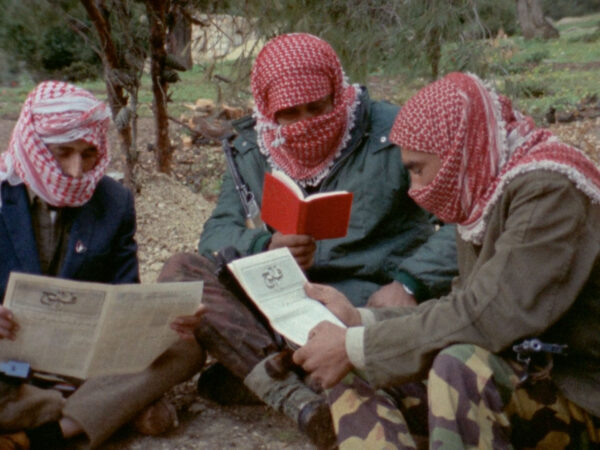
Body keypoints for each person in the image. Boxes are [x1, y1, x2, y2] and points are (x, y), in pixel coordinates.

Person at [159, 33, 457, 446]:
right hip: (278, 301)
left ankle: (269, 370)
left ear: (339, 92)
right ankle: (297, 399)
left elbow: (464, 221)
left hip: (361, 304)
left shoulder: (393, 131)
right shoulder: (252, 145)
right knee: (183, 271)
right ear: (268, 111)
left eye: (318, 108)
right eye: (290, 114)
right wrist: (266, 247)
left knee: (387, 354)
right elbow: (216, 234)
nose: (306, 123)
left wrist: (410, 282)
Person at [292, 72, 600, 448]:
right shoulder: (483, 185)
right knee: (352, 366)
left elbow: (488, 316)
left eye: (418, 169)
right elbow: (459, 308)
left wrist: (358, 344)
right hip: (527, 376)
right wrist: (359, 322)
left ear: (458, 154)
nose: (414, 189)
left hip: (579, 393)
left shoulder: (549, 191)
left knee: (460, 365)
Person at [0, 81, 205, 449]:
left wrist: (165, 323)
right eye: (62, 153)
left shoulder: (113, 201)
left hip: (82, 363)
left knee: (185, 349)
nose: (76, 171)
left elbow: (124, 295)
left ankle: (45, 431)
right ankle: (103, 409)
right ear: (33, 146)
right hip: (7, 358)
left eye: (88, 154)